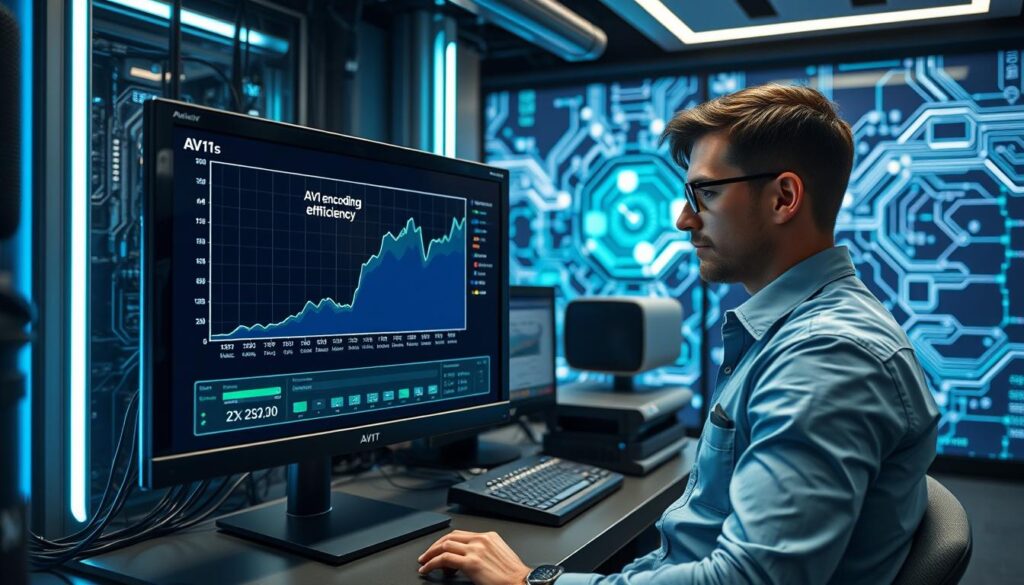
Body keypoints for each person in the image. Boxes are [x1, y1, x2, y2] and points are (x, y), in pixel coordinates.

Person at [416, 84, 940, 585]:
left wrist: (531, 580)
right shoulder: (798, 332)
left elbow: (751, 580)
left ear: (784, 198)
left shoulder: (827, 356)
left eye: (706, 193)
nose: (684, 219)